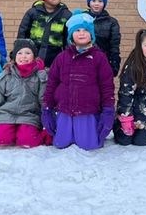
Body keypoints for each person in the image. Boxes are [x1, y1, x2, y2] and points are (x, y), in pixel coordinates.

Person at [41, 10, 115, 151]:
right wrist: (47, 108)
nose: (81, 33)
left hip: (87, 110)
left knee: (89, 145)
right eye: (77, 30)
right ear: (71, 35)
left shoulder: (99, 58)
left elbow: (106, 86)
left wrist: (108, 111)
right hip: (64, 110)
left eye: (86, 30)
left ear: (91, 35)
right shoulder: (62, 57)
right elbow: (51, 84)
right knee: (60, 144)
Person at [0, 38, 47, 148]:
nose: (23, 56)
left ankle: (23, 134)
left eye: (28, 53)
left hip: (29, 116)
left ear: (34, 57)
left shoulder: (40, 76)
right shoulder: (6, 75)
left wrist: (47, 127)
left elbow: (44, 101)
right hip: (6, 115)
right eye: (19, 53)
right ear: (14, 57)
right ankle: (8, 133)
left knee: (29, 141)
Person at [16, 0, 72, 68]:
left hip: (55, 61)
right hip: (32, 60)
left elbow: (68, 41)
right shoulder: (32, 13)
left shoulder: (66, 15)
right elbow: (22, 36)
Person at [85, 0, 122, 76]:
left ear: (104, 3)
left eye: (100, 1)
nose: (96, 4)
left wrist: (114, 64)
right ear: (89, 2)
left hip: (103, 63)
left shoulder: (111, 22)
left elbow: (114, 45)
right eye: (93, 0)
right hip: (84, 62)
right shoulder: (82, 18)